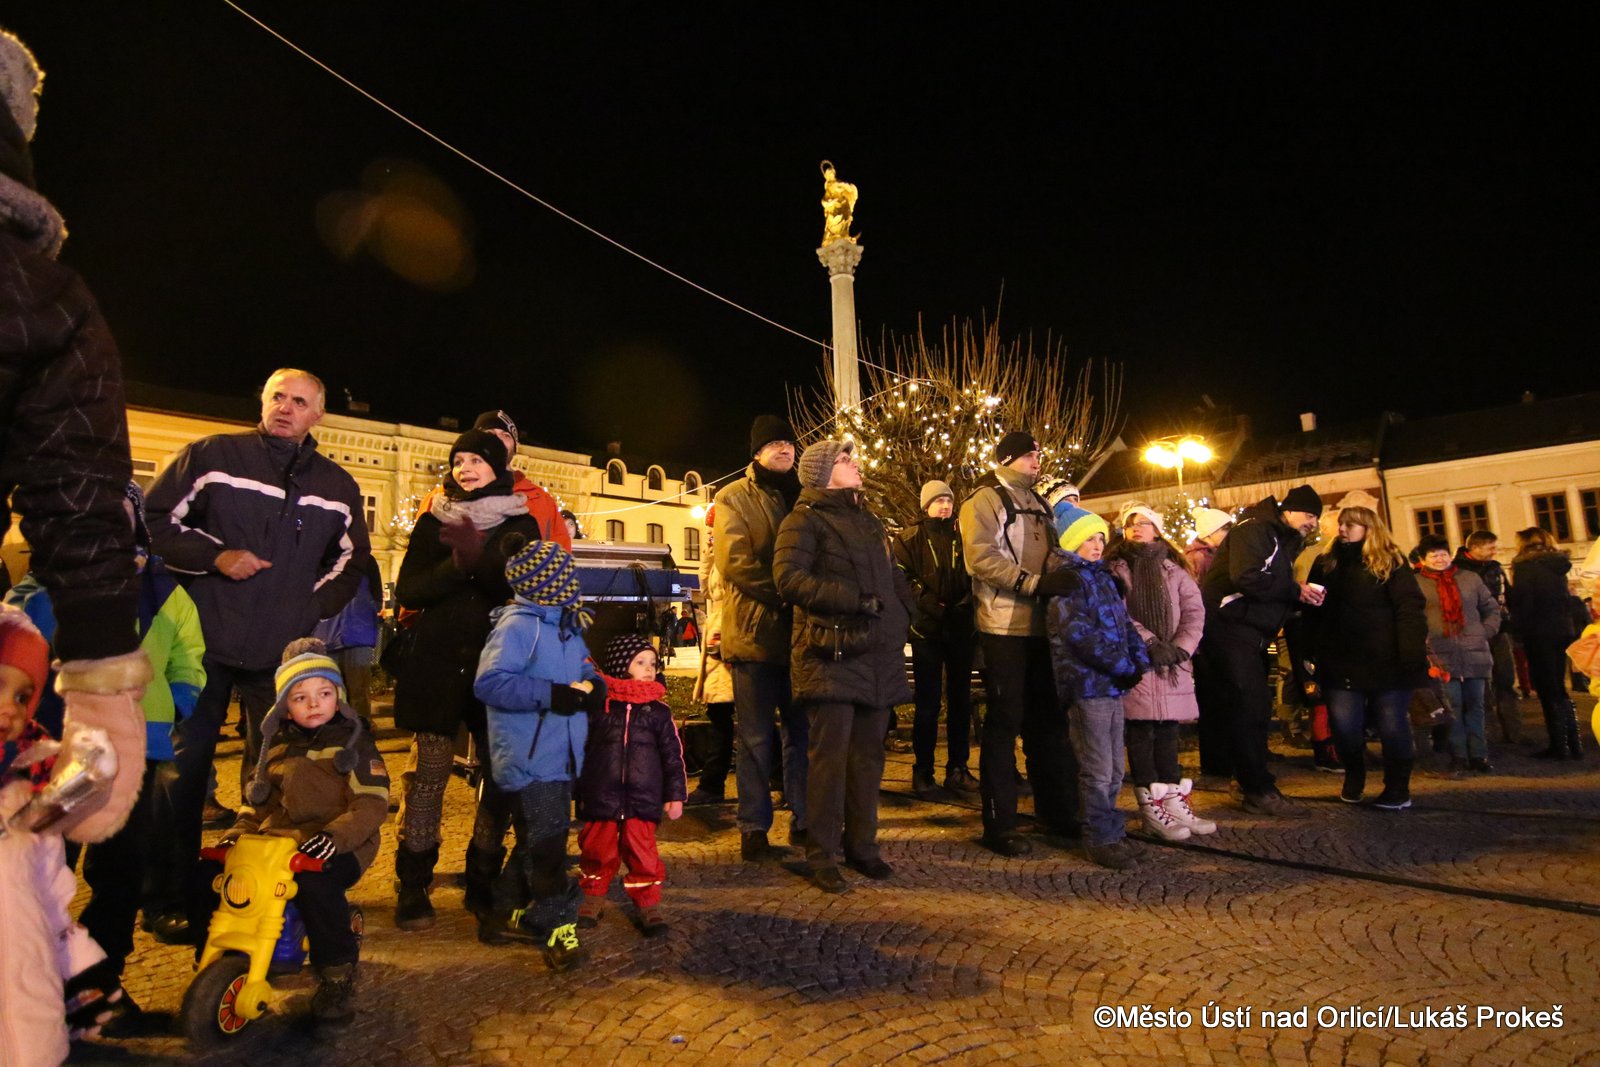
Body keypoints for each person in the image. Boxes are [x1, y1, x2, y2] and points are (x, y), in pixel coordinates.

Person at [142, 367, 372, 939]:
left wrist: (307, 605)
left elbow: (352, 561)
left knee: (275, 775)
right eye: (277, 397)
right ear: (263, 401)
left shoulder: (337, 485)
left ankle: (258, 893)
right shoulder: (213, 456)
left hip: (278, 656)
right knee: (180, 774)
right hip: (201, 645)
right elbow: (154, 519)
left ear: (318, 414)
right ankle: (169, 896)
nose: (285, 408)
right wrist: (215, 557)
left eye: (299, 401)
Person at [0, 27, 151, 855]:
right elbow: (77, 483)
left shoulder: (43, 298)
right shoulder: (45, 296)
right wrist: (101, 676)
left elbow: (77, 483)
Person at [391, 429, 542, 930]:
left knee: (498, 778)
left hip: (498, 663)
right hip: (438, 663)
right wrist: (456, 566)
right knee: (429, 774)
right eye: (459, 460)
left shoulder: (521, 522)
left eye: (476, 460)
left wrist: (482, 559)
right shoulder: (434, 519)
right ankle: (414, 882)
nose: (465, 469)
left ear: (498, 466)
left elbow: (527, 588)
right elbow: (410, 589)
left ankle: (483, 879)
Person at [200, 639, 388, 1023]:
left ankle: (336, 970)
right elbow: (259, 802)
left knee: (315, 885)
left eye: (324, 693)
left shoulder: (354, 745)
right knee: (215, 874)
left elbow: (371, 804)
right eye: (300, 697)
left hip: (342, 841)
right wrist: (238, 831)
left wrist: (333, 839)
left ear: (339, 697)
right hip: (283, 841)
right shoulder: (278, 747)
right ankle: (221, 952)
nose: (314, 703)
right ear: (285, 706)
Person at [72, 486, 205, 1028]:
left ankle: (99, 989)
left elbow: (188, 656)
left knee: (121, 873)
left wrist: (177, 700)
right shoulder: (59, 584)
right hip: (64, 748)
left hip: (137, 748)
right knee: (42, 874)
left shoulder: (165, 591)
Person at [774, 440, 913, 892]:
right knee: (829, 763)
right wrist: (853, 600)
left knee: (869, 759)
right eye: (844, 460)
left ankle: (862, 848)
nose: (855, 464)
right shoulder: (804, 519)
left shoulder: (869, 519)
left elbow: (892, 576)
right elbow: (789, 579)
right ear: (822, 473)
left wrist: (906, 615)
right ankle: (822, 855)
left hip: (876, 654)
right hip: (830, 654)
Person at [1, 608, 130, 1066]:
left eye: (23, 696)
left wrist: (76, 964)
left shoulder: (27, 788)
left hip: (30, 1004)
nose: (10, 708)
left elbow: (48, 885)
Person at [472, 538, 599, 968]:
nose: (573, 583)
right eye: (566, 577)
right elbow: (490, 683)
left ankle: (503, 909)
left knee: (539, 837)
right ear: (548, 585)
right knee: (548, 846)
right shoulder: (518, 626)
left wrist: (593, 684)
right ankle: (559, 924)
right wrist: (552, 694)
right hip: (530, 756)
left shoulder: (566, 624)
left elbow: (583, 664)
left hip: (560, 754)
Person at [959, 430, 1081, 855]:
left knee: (1049, 723)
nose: (1036, 460)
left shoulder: (1041, 503)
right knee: (1004, 723)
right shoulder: (985, 499)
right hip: (1004, 627)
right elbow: (980, 557)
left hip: (1043, 627)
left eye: (1038, 454)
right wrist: (1034, 584)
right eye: (1029, 455)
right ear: (1008, 458)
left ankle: (1058, 812)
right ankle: (1000, 824)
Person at [1196, 484, 1325, 816]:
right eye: (1309, 515)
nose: (1313, 522)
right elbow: (1247, 578)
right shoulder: (1256, 529)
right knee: (1249, 708)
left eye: (1316, 517)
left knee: (1252, 708)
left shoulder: (1276, 535)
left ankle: (1247, 782)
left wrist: (1294, 601)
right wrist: (1295, 591)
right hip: (1230, 630)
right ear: (1289, 510)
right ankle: (1257, 789)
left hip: (1247, 632)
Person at [712, 415, 808, 860]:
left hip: (801, 636)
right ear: (756, 452)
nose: (784, 448)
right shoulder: (733, 496)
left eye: (789, 442)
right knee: (755, 737)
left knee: (801, 733)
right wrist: (788, 593)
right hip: (755, 633)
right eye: (774, 443)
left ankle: (804, 820)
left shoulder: (806, 495)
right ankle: (753, 827)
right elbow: (735, 561)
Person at [1045, 506, 1151, 868]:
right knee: (1098, 768)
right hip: (1088, 685)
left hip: (1111, 683)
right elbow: (1079, 635)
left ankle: (1112, 832)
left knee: (1115, 768)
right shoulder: (1068, 581)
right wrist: (1123, 665)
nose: (1097, 545)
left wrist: (1138, 659)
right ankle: (1099, 837)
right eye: (1089, 538)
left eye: (1101, 538)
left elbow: (1123, 624)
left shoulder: (1101, 577)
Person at [1304, 506, 1429, 810]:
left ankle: (1397, 788)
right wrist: (1311, 648)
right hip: (1340, 659)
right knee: (1345, 728)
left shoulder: (1391, 561)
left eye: (1351, 524)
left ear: (1369, 528)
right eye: (1342, 524)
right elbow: (1312, 610)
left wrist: (1410, 654)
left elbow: (1409, 609)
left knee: (1392, 725)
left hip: (1387, 659)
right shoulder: (1327, 562)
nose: (1343, 529)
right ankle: (1354, 774)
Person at [1105, 505, 1215, 841]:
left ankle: (1173, 802)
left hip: (1172, 665)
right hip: (1140, 663)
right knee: (1142, 733)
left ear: (1157, 529)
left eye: (1143, 523)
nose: (1135, 528)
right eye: (1130, 524)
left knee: (1168, 733)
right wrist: (1150, 643)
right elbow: (1119, 614)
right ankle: (1151, 809)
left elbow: (1194, 612)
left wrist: (1181, 648)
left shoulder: (1175, 570)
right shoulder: (1116, 569)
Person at [577, 635, 686, 933]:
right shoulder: (600, 707)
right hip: (601, 794)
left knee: (643, 853)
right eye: (640, 662)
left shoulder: (659, 712)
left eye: (653, 663)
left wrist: (675, 794)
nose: (649, 669)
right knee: (597, 850)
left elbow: (672, 757)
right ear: (619, 666)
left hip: (643, 797)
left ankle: (647, 902)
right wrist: (576, 789)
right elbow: (581, 748)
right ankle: (592, 896)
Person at [893, 479, 977, 799]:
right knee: (927, 703)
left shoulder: (963, 535)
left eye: (948, 501)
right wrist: (931, 604)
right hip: (926, 630)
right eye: (938, 501)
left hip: (960, 627)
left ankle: (958, 768)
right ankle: (923, 770)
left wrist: (965, 603)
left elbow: (974, 572)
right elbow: (902, 577)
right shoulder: (909, 538)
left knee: (960, 701)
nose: (944, 506)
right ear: (926, 506)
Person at [1414, 533, 1501, 774]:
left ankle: (1479, 754)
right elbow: (1413, 617)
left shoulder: (1469, 578)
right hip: (1439, 654)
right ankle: (1459, 754)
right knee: (1452, 707)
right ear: (1423, 559)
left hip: (1474, 650)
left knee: (1476, 705)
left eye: (1443, 554)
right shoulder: (1416, 583)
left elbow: (1491, 608)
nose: (1440, 559)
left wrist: (1485, 631)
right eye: (1433, 556)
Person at [1506, 527, 1583, 759]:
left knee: (1547, 689)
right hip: (1561, 631)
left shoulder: (1525, 566)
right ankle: (1574, 743)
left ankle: (1559, 746)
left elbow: (1524, 604)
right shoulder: (1557, 565)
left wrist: (1517, 630)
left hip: (1539, 633)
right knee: (1559, 688)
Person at [687, 505, 736, 805]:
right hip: (719, 637)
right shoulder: (717, 557)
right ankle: (712, 782)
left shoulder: (736, 556)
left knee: (745, 715)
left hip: (732, 638)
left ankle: (714, 782)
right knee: (719, 713)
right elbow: (706, 589)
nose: (708, 536)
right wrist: (708, 551)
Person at [312, 553, 383, 722]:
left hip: (350, 634)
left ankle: (360, 729)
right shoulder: (321, 558)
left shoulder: (365, 561)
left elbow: (377, 598)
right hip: (335, 635)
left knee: (355, 691)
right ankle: (340, 730)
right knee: (332, 692)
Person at [1185, 508, 1234, 580]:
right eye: (1225, 528)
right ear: (1210, 533)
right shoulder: (1198, 558)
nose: (1230, 532)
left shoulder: (1220, 550)